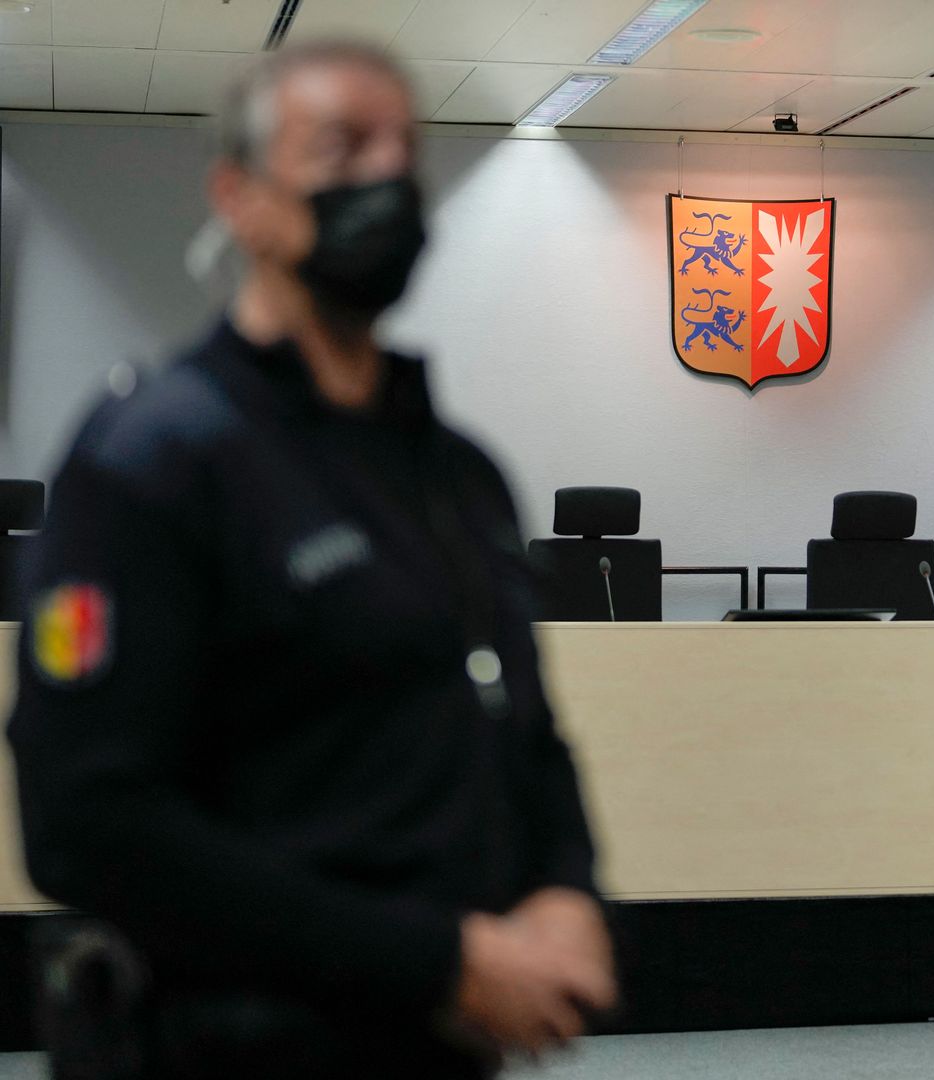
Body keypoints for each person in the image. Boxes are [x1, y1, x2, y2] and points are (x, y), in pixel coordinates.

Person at [7, 42, 614, 1079]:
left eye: (405, 151)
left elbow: (521, 729)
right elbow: (86, 824)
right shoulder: (153, 460)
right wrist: (435, 962)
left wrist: (566, 886)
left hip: (432, 1048)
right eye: (342, 148)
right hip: (227, 1050)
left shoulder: (458, 476)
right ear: (240, 198)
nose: (387, 177)